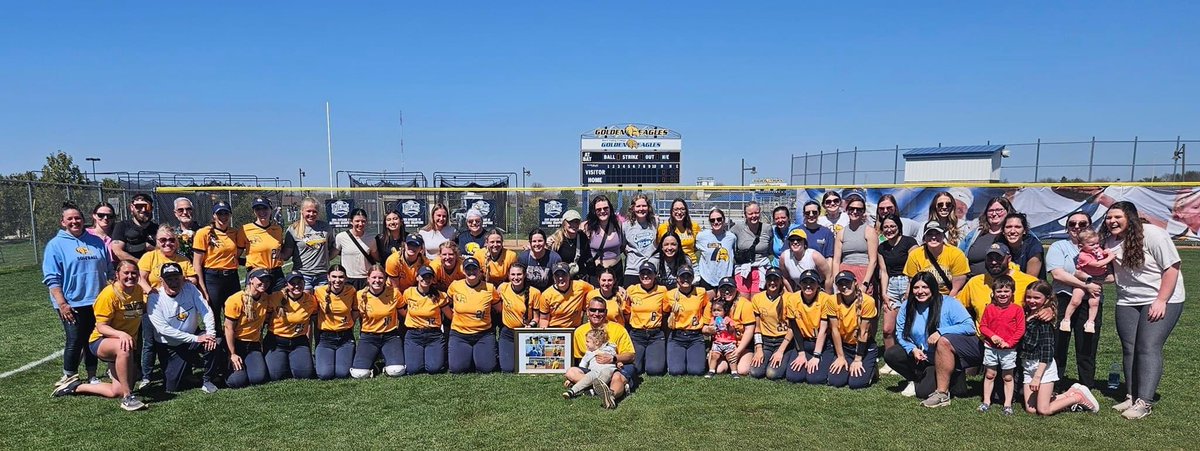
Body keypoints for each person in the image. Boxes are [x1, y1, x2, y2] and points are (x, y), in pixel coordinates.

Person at [1104, 201, 1186, 420]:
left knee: (1148, 346)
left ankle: (1145, 402)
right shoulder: (1109, 240)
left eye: (1117, 217)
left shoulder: (1153, 234)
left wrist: (1161, 300)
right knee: (1129, 348)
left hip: (1162, 298)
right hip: (1128, 300)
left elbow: (1172, 267)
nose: (1112, 221)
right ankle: (1131, 396)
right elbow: (1113, 275)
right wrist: (1091, 276)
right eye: (1109, 217)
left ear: (1130, 217)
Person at [54, 260, 147, 410]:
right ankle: (128, 398)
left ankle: (75, 387)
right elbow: (101, 326)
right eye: (126, 273)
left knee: (116, 391)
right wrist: (121, 334)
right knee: (123, 348)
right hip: (101, 341)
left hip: (124, 343)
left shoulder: (138, 290)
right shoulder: (109, 294)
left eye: (134, 273)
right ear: (117, 275)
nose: (130, 276)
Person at [881, 272, 978, 405]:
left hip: (943, 358)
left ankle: (951, 376)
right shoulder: (907, 305)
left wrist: (941, 332)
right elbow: (901, 334)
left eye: (925, 287)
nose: (920, 291)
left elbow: (969, 326)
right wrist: (912, 349)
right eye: (916, 287)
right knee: (892, 354)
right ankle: (917, 378)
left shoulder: (949, 303)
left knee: (923, 392)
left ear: (933, 287)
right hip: (921, 356)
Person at [44, 202, 111, 389]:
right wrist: (62, 304)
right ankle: (69, 376)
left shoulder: (96, 242)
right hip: (71, 302)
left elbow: (109, 269)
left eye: (78, 218)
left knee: (92, 338)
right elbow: (52, 278)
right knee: (75, 339)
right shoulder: (55, 245)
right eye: (70, 219)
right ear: (63, 222)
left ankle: (92, 375)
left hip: (96, 300)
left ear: (84, 220)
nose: (74, 221)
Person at [1020, 281, 1101, 416]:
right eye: (1029, 297)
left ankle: (1078, 397)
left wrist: (1037, 377)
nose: (1031, 301)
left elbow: (1047, 351)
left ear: (1047, 299)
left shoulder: (1043, 320)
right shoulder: (1026, 313)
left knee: (1044, 410)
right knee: (1031, 409)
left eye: (1036, 297)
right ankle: (1070, 393)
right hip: (1028, 365)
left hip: (1043, 368)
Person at [1046, 211, 1105, 389]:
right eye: (1072, 224)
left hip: (1091, 300)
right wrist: (1087, 283)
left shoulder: (1098, 247)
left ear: (1090, 226)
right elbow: (1057, 274)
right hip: (1064, 297)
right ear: (1067, 227)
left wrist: (1093, 283)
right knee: (1059, 343)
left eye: (1082, 224)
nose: (1077, 227)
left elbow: (1110, 274)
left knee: (1087, 344)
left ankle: (1086, 387)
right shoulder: (1059, 246)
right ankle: (1054, 385)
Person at [136, 227, 200, 388]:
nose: (167, 243)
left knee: (182, 337)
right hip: (153, 306)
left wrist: (181, 280)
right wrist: (152, 293)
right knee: (150, 342)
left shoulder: (182, 259)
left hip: (177, 306)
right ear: (157, 242)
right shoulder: (149, 257)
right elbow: (140, 278)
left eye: (171, 240)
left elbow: (193, 279)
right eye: (163, 240)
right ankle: (147, 377)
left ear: (177, 242)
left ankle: (186, 372)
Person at [146, 263, 220, 394]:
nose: (173, 282)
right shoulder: (154, 297)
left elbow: (206, 310)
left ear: (183, 278)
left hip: (192, 337)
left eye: (176, 278)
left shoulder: (190, 288)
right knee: (172, 387)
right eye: (169, 279)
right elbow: (163, 329)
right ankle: (188, 367)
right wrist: (196, 338)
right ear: (161, 280)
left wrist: (210, 334)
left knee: (215, 342)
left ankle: (208, 379)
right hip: (171, 345)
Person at [563, 299, 636, 409]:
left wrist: (613, 358)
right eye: (593, 310)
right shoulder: (579, 332)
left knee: (617, 376)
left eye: (600, 311)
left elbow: (631, 356)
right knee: (571, 372)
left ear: (606, 312)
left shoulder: (618, 329)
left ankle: (610, 396)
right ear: (587, 312)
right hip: (593, 370)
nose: (596, 314)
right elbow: (580, 360)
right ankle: (608, 387)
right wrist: (570, 378)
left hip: (614, 368)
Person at [192, 201, 246, 346]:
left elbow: (237, 254)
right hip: (213, 277)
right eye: (219, 213)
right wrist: (202, 288)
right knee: (213, 316)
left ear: (230, 215)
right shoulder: (204, 233)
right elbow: (197, 263)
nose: (223, 216)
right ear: (214, 215)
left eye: (226, 213)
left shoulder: (234, 233)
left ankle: (234, 348)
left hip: (232, 277)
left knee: (235, 312)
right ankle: (217, 350)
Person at [956, 242, 1038, 329]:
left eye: (999, 258)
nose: (994, 262)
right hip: (983, 335)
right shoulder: (975, 282)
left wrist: (1047, 309)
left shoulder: (1028, 281)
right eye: (990, 258)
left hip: (1016, 335)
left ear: (1009, 259)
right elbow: (956, 306)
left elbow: (1045, 300)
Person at [977, 275, 1024, 415]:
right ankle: (986, 401)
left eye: (1006, 291)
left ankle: (1007, 404)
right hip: (991, 347)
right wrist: (992, 336)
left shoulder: (1017, 309)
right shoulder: (990, 308)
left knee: (1008, 376)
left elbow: (1020, 329)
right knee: (990, 374)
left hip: (1008, 349)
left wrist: (1009, 343)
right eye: (999, 291)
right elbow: (983, 326)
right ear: (993, 293)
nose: (1002, 294)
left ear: (1012, 292)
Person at [823, 270, 879, 389]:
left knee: (856, 383)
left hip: (863, 346)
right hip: (845, 346)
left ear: (855, 283)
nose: (844, 286)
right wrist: (840, 356)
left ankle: (872, 367)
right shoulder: (832, 301)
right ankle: (845, 360)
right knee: (836, 381)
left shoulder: (868, 301)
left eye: (847, 282)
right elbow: (834, 330)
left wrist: (858, 359)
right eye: (840, 284)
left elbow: (864, 331)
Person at [447, 257, 501, 374]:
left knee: (486, 368)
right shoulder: (455, 286)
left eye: (474, 269)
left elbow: (499, 309)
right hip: (459, 334)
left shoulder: (489, 288)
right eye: (468, 269)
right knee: (457, 369)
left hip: (483, 334)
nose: (471, 272)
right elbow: (448, 304)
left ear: (480, 271)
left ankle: (482, 353)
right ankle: (468, 355)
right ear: (463, 271)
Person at [224, 270, 277, 389]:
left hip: (253, 345)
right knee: (237, 382)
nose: (265, 283)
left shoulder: (266, 298)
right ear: (251, 280)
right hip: (236, 344)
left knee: (258, 378)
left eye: (267, 280)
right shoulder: (235, 300)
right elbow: (228, 328)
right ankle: (223, 367)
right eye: (261, 280)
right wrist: (232, 354)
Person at [351, 266, 406, 378]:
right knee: (359, 373)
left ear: (385, 279)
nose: (377, 280)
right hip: (368, 337)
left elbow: (405, 314)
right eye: (374, 277)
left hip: (390, 336)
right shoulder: (359, 295)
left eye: (381, 278)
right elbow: (353, 318)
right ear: (368, 279)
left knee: (396, 371)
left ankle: (387, 362)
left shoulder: (394, 293)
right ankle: (375, 366)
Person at [877, 214, 918, 358]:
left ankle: (911, 356)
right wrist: (884, 293)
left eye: (892, 226)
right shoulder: (882, 248)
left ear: (898, 227)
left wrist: (909, 289)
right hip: (892, 286)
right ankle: (891, 359)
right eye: (886, 227)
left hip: (909, 282)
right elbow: (883, 271)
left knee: (910, 326)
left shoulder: (909, 242)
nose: (889, 230)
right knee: (888, 329)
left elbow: (916, 266)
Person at [265, 272, 317, 381]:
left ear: (304, 283)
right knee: (276, 375)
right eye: (292, 283)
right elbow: (265, 320)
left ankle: (296, 360)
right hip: (277, 341)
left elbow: (313, 321)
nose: (297, 286)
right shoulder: (275, 297)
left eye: (299, 282)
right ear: (286, 285)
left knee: (305, 374)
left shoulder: (311, 300)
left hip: (299, 341)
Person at [782, 270, 831, 384]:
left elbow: (823, 330)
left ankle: (829, 360)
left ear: (818, 285)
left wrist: (816, 356)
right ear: (800, 284)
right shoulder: (792, 299)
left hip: (824, 343)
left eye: (812, 282)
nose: (808, 286)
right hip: (804, 341)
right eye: (805, 282)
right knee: (793, 377)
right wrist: (801, 353)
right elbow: (795, 328)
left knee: (815, 378)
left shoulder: (825, 299)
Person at [1061, 229, 1113, 334]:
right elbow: (1098, 264)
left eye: (1097, 243)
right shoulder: (1083, 256)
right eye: (1092, 244)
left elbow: (1102, 255)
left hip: (1097, 279)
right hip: (1083, 279)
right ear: (1081, 246)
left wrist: (1106, 253)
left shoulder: (1097, 250)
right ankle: (1066, 319)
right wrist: (1111, 257)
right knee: (1076, 300)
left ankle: (1090, 322)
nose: (1096, 246)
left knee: (1094, 302)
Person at [748, 267, 796, 380]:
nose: (772, 282)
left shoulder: (789, 298)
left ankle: (786, 357)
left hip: (784, 341)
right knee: (755, 372)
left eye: (776, 279)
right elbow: (757, 328)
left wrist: (780, 351)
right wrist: (759, 349)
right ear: (765, 280)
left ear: (781, 281)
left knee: (772, 373)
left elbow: (792, 328)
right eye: (770, 279)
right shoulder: (757, 298)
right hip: (766, 341)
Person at [401, 265, 450, 374]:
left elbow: (450, 315)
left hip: (434, 335)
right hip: (413, 335)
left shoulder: (440, 295)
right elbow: (403, 310)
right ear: (417, 277)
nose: (426, 279)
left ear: (433, 280)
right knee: (413, 369)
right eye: (423, 276)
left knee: (434, 368)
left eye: (429, 277)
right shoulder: (408, 292)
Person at [623, 261, 669, 376]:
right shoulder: (631, 290)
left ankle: (650, 356)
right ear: (639, 275)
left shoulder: (662, 290)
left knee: (655, 370)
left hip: (655, 335)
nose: (646, 276)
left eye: (649, 273)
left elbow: (665, 312)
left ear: (655, 275)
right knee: (635, 368)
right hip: (637, 334)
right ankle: (644, 356)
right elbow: (626, 311)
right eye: (643, 273)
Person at [705, 276, 757, 376]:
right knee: (719, 370)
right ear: (719, 290)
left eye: (730, 288)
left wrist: (738, 351)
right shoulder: (713, 304)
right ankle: (724, 360)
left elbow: (749, 330)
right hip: (720, 344)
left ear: (736, 289)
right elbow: (704, 328)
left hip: (740, 344)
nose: (727, 291)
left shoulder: (745, 304)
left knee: (742, 370)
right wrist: (709, 329)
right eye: (723, 288)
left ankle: (737, 360)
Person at [314, 264, 358, 380]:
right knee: (325, 374)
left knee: (342, 373)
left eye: (341, 277)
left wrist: (348, 323)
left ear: (346, 278)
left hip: (345, 338)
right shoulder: (319, 291)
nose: (337, 280)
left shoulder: (351, 291)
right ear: (328, 277)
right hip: (326, 338)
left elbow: (355, 311)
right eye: (334, 276)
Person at [903, 221, 969, 296]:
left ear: (943, 236)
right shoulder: (914, 255)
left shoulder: (956, 254)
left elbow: (956, 289)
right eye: (929, 234)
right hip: (924, 296)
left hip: (949, 296)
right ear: (924, 238)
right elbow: (914, 284)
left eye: (937, 233)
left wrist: (947, 302)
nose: (933, 237)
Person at [497, 263, 542, 373]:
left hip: (526, 333)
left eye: (519, 274)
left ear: (524, 275)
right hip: (508, 333)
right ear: (508, 275)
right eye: (513, 274)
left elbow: (536, 318)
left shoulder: (535, 292)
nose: (516, 277)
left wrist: (530, 326)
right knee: (507, 368)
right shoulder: (502, 288)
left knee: (531, 366)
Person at [665, 266, 709, 376]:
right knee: (676, 371)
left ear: (693, 278)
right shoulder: (670, 294)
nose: (685, 279)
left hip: (695, 336)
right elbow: (664, 311)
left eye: (688, 276)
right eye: (682, 276)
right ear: (677, 278)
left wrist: (706, 324)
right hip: (677, 336)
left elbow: (707, 307)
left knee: (696, 371)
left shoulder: (701, 292)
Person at [282, 197, 333, 292]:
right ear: (302, 211)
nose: (311, 214)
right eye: (308, 211)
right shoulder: (293, 229)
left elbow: (333, 247)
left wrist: (325, 259)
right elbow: (286, 255)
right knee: (306, 300)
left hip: (322, 275)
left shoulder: (326, 227)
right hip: (303, 275)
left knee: (323, 301)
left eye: (314, 211)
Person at [832, 195, 879, 295]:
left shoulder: (870, 231)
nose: (855, 212)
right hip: (844, 273)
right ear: (847, 210)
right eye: (851, 209)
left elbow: (873, 261)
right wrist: (836, 283)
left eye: (859, 209)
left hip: (863, 272)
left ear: (863, 212)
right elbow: (836, 260)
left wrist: (865, 284)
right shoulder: (841, 233)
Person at [960, 197, 1015, 277]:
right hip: (972, 282)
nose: (994, 214)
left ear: (1008, 211)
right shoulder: (976, 233)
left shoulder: (1014, 234)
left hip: (1003, 283)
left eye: (999, 210)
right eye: (991, 211)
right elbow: (959, 254)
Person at [562, 328, 618, 401]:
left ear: (597, 342)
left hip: (608, 369)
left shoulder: (609, 349)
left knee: (605, 375)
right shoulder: (589, 353)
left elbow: (615, 358)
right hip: (594, 371)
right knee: (588, 377)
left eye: (588, 341)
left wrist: (618, 362)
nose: (586, 344)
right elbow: (582, 365)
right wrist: (570, 380)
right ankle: (572, 391)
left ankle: (596, 391)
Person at [731, 201, 772, 298]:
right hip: (742, 270)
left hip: (760, 270)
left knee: (757, 302)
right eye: (750, 213)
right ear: (745, 214)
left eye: (756, 212)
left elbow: (771, 248)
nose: (754, 216)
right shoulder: (737, 228)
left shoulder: (767, 228)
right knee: (742, 302)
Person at [243, 196, 285, 292]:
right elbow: (236, 254)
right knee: (254, 301)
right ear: (254, 211)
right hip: (256, 275)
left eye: (265, 208)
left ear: (271, 210)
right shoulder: (245, 230)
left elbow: (281, 249)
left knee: (280, 301)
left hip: (276, 275)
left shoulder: (277, 229)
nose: (262, 211)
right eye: (258, 209)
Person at [580, 195, 624, 282]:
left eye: (605, 208)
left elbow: (624, 246)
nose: (602, 211)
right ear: (594, 211)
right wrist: (554, 238)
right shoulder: (586, 227)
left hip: (616, 272)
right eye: (598, 209)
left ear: (610, 209)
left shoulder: (619, 225)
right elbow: (568, 232)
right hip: (596, 272)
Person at [538, 262, 594, 329]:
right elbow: (544, 319)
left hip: (574, 328)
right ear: (553, 277)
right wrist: (544, 331)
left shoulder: (581, 286)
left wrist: (587, 306)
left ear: (569, 275)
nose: (560, 278)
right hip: (555, 328)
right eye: (557, 275)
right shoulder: (546, 295)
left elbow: (595, 292)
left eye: (564, 274)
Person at [334, 208, 378, 290]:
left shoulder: (371, 239)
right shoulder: (341, 237)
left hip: (365, 279)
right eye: (357, 221)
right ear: (351, 221)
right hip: (348, 279)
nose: (360, 224)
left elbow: (376, 257)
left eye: (363, 221)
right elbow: (333, 254)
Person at [695, 207, 737, 290]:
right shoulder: (701, 236)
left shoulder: (731, 237)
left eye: (719, 219)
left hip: (725, 279)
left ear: (724, 220)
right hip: (706, 278)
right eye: (712, 220)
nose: (716, 222)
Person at [623, 194, 659, 287]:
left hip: (652, 270)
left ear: (648, 207)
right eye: (638, 206)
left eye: (644, 206)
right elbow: (622, 247)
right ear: (633, 208)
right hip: (633, 271)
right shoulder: (626, 226)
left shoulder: (655, 222)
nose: (641, 209)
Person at [110, 193, 159, 263]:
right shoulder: (122, 226)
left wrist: (153, 249)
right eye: (139, 206)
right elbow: (117, 251)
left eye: (147, 206)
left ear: (152, 208)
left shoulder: (158, 229)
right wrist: (141, 264)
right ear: (132, 207)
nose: (143, 210)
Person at [1001, 213, 1045, 280]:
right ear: (1003, 231)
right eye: (1008, 227)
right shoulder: (999, 244)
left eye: (1017, 227)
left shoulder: (1033, 246)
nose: (1012, 231)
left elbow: (1030, 279)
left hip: (1031, 285)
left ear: (1024, 231)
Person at [658, 198, 700, 265]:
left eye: (682, 209)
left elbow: (697, 246)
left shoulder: (694, 226)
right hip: (672, 264)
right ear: (672, 211)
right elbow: (660, 246)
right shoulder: (663, 228)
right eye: (676, 209)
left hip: (691, 264)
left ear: (686, 211)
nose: (679, 212)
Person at [705, 298, 739, 378]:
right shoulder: (713, 320)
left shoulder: (727, 319)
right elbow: (710, 329)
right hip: (718, 342)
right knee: (714, 355)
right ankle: (711, 371)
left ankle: (734, 372)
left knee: (730, 357)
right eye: (714, 310)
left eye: (719, 310)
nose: (716, 312)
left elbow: (732, 331)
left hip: (729, 342)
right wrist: (712, 327)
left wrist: (728, 326)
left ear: (724, 311)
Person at [547, 209, 584, 278]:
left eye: (576, 222)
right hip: (559, 277)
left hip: (578, 278)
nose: (574, 225)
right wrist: (546, 245)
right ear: (564, 223)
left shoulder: (582, 237)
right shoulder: (555, 239)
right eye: (570, 222)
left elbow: (587, 258)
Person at [171, 197, 201, 261]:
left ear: (193, 211)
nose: (185, 212)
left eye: (188, 209)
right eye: (180, 210)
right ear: (175, 214)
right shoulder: (172, 234)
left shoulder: (202, 232)